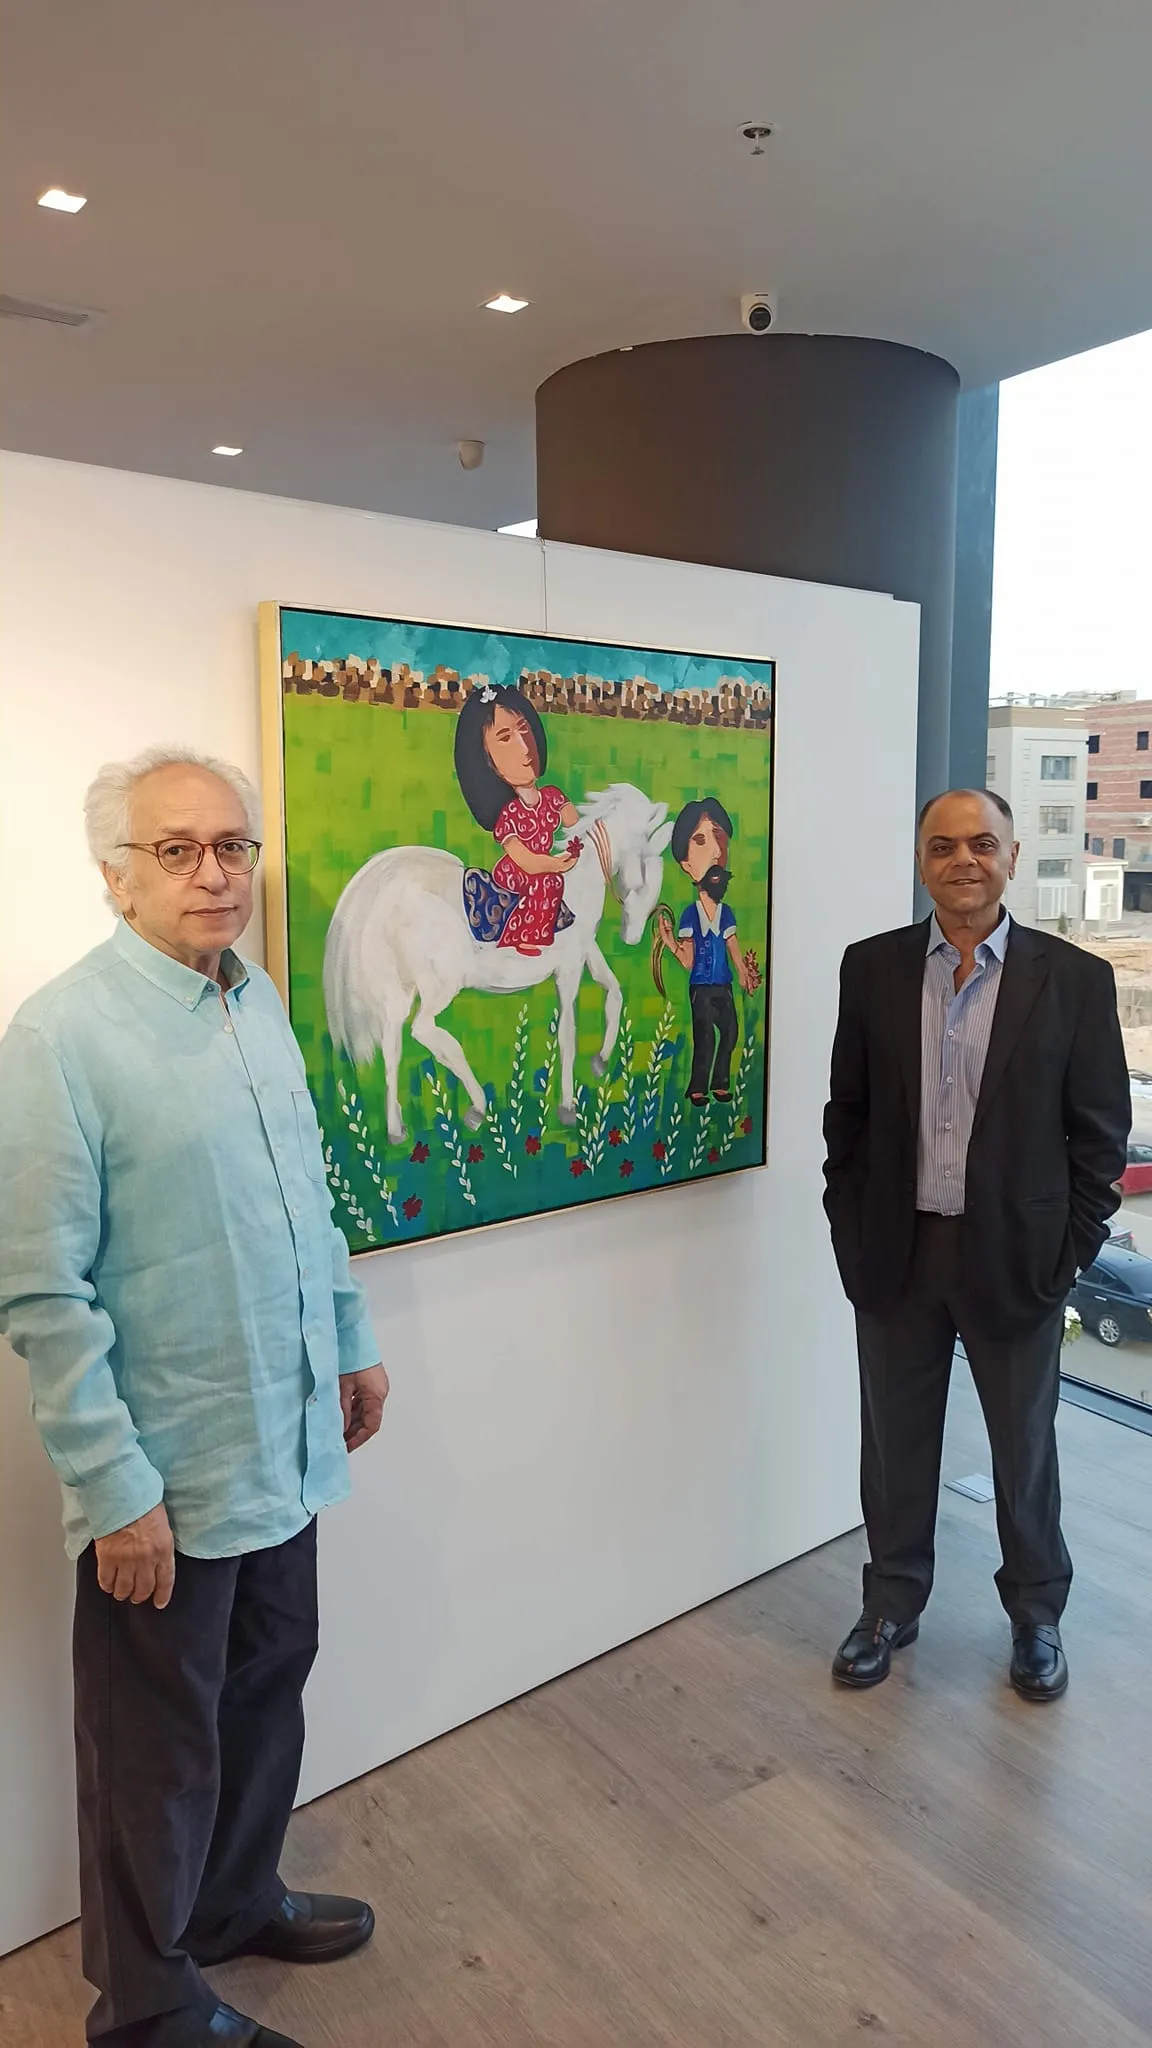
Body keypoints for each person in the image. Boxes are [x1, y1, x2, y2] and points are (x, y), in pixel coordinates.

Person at [0, 745, 391, 2048]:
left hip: (284, 1436)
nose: (215, 874)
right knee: (151, 1748)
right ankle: (149, 2005)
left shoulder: (253, 997)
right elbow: (39, 1291)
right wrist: (114, 1490)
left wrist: (350, 1339)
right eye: (177, 850)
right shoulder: (61, 1036)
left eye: (233, 846)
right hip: (163, 1474)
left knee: (270, 1681)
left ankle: (231, 1899)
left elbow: (305, 1197)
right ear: (117, 876)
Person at [823, 788, 1129, 1703]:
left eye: (983, 844)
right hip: (898, 1254)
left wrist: (1065, 1254)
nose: (964, 860)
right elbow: (849, 1118)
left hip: (1016, 1258)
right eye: (944, 845)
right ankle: (890, 1604)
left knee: (1022, 1450)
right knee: (894, 1445)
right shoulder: (870, 969)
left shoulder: (1073, 980)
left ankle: (1036, 1616)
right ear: (922, 859)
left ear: (1012, 857)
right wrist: (851, 1232)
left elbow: (1100, 1139)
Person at [453, 682, 579, 955]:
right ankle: (523, 935)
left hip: (547, 863)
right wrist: (556, 864)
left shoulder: (552, 797)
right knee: (549, 882)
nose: (524, 747)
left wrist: (578, 844)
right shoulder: (509, 816)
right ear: (486, 759)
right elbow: (526, 861)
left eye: (524, 730)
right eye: (505, 738)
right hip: (517, 872)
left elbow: (577, 825)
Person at [657, 797, 754, 1104]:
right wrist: (670, 942)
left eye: (719, 838)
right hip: (700, 987)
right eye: (700, 841)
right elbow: (688, 960)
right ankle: (698, 1087)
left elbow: (733, 947)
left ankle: (720, 1082)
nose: (714, 852)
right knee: (705, 1037)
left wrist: (743, 972)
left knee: (731, 1032)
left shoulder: (726, 914)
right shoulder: (689, 916)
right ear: (686, 865)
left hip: (723, 985)